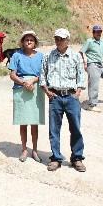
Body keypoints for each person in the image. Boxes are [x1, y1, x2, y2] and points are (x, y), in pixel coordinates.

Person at [39, 28, 87, 173]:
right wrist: (47, 92)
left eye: (61, 39)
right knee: (54, 129)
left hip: (71, 96)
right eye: (57, 39)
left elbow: (81, 76)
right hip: (55, 97)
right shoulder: (48, 56)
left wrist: (77, 93)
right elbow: (42, 75)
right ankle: (56, 158)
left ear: (68, 40)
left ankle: (77, 158)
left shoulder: (75, 56)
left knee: (76, 128)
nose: (58, 41)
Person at [8, 30, 44, 163]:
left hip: (35, 89)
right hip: (20, 88)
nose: (29, 41)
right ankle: (24, 149)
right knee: (23, 121)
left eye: (31, 40)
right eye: (26, 39)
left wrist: (32, 81)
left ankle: (34, 150)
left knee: (34, 122)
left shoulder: (41, 56)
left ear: (35, 43)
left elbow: (43, 74)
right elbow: (12, 74)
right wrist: (23, 82)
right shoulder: (16, 55)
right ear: (22, 42)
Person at [79, 25, 103, 111]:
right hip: (92, 65)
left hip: (101, 65)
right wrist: (85, 63)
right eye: (97, 32)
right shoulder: (89, 41)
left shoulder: (102, 42)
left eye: (100, 32)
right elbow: (81, 52)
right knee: (94, 85)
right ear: (93, 33)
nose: (99, 33)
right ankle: (92, 105)